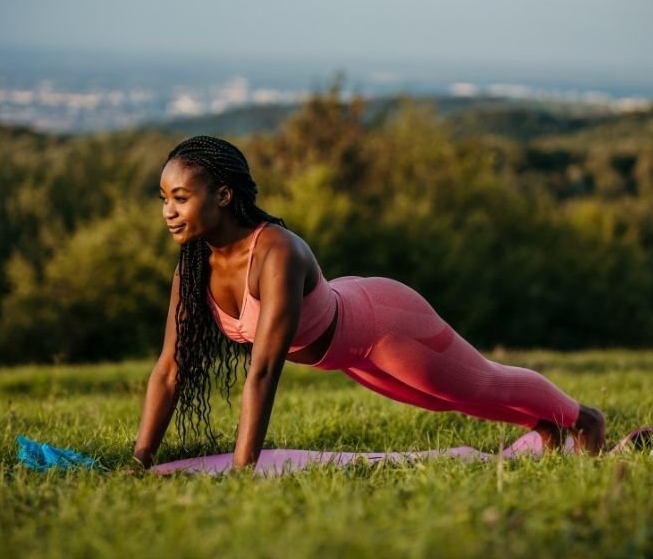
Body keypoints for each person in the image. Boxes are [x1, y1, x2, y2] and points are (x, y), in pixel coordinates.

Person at [133, 136, 606, 469]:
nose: (168, 212)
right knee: (442, 401)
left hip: (384, 325)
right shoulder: (193, 268)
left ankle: (584, 420)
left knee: (479, 385)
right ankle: (548, 427)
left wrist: (242, 473)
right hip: (346, 353)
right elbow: (170, 368)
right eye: (163, 199)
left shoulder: (277, 253)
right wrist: (140, 461)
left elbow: (263, 371)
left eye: (180, 198)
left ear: (223, 195)